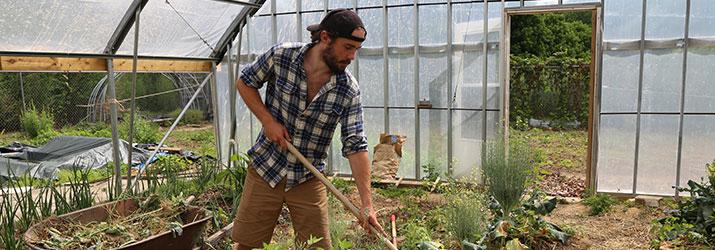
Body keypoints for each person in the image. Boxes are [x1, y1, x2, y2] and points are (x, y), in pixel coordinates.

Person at [232, 9, 385, 250]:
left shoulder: (348, 90)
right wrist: (268, 121)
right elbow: (245, 81)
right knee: (247, 244)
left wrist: (367, 204)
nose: (352, 56)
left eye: (356, 50)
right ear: (325, 38)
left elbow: (356, 145)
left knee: (317, 247)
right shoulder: (282, 56)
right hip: (266, 167)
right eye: (347, 47)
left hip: (307, 176)